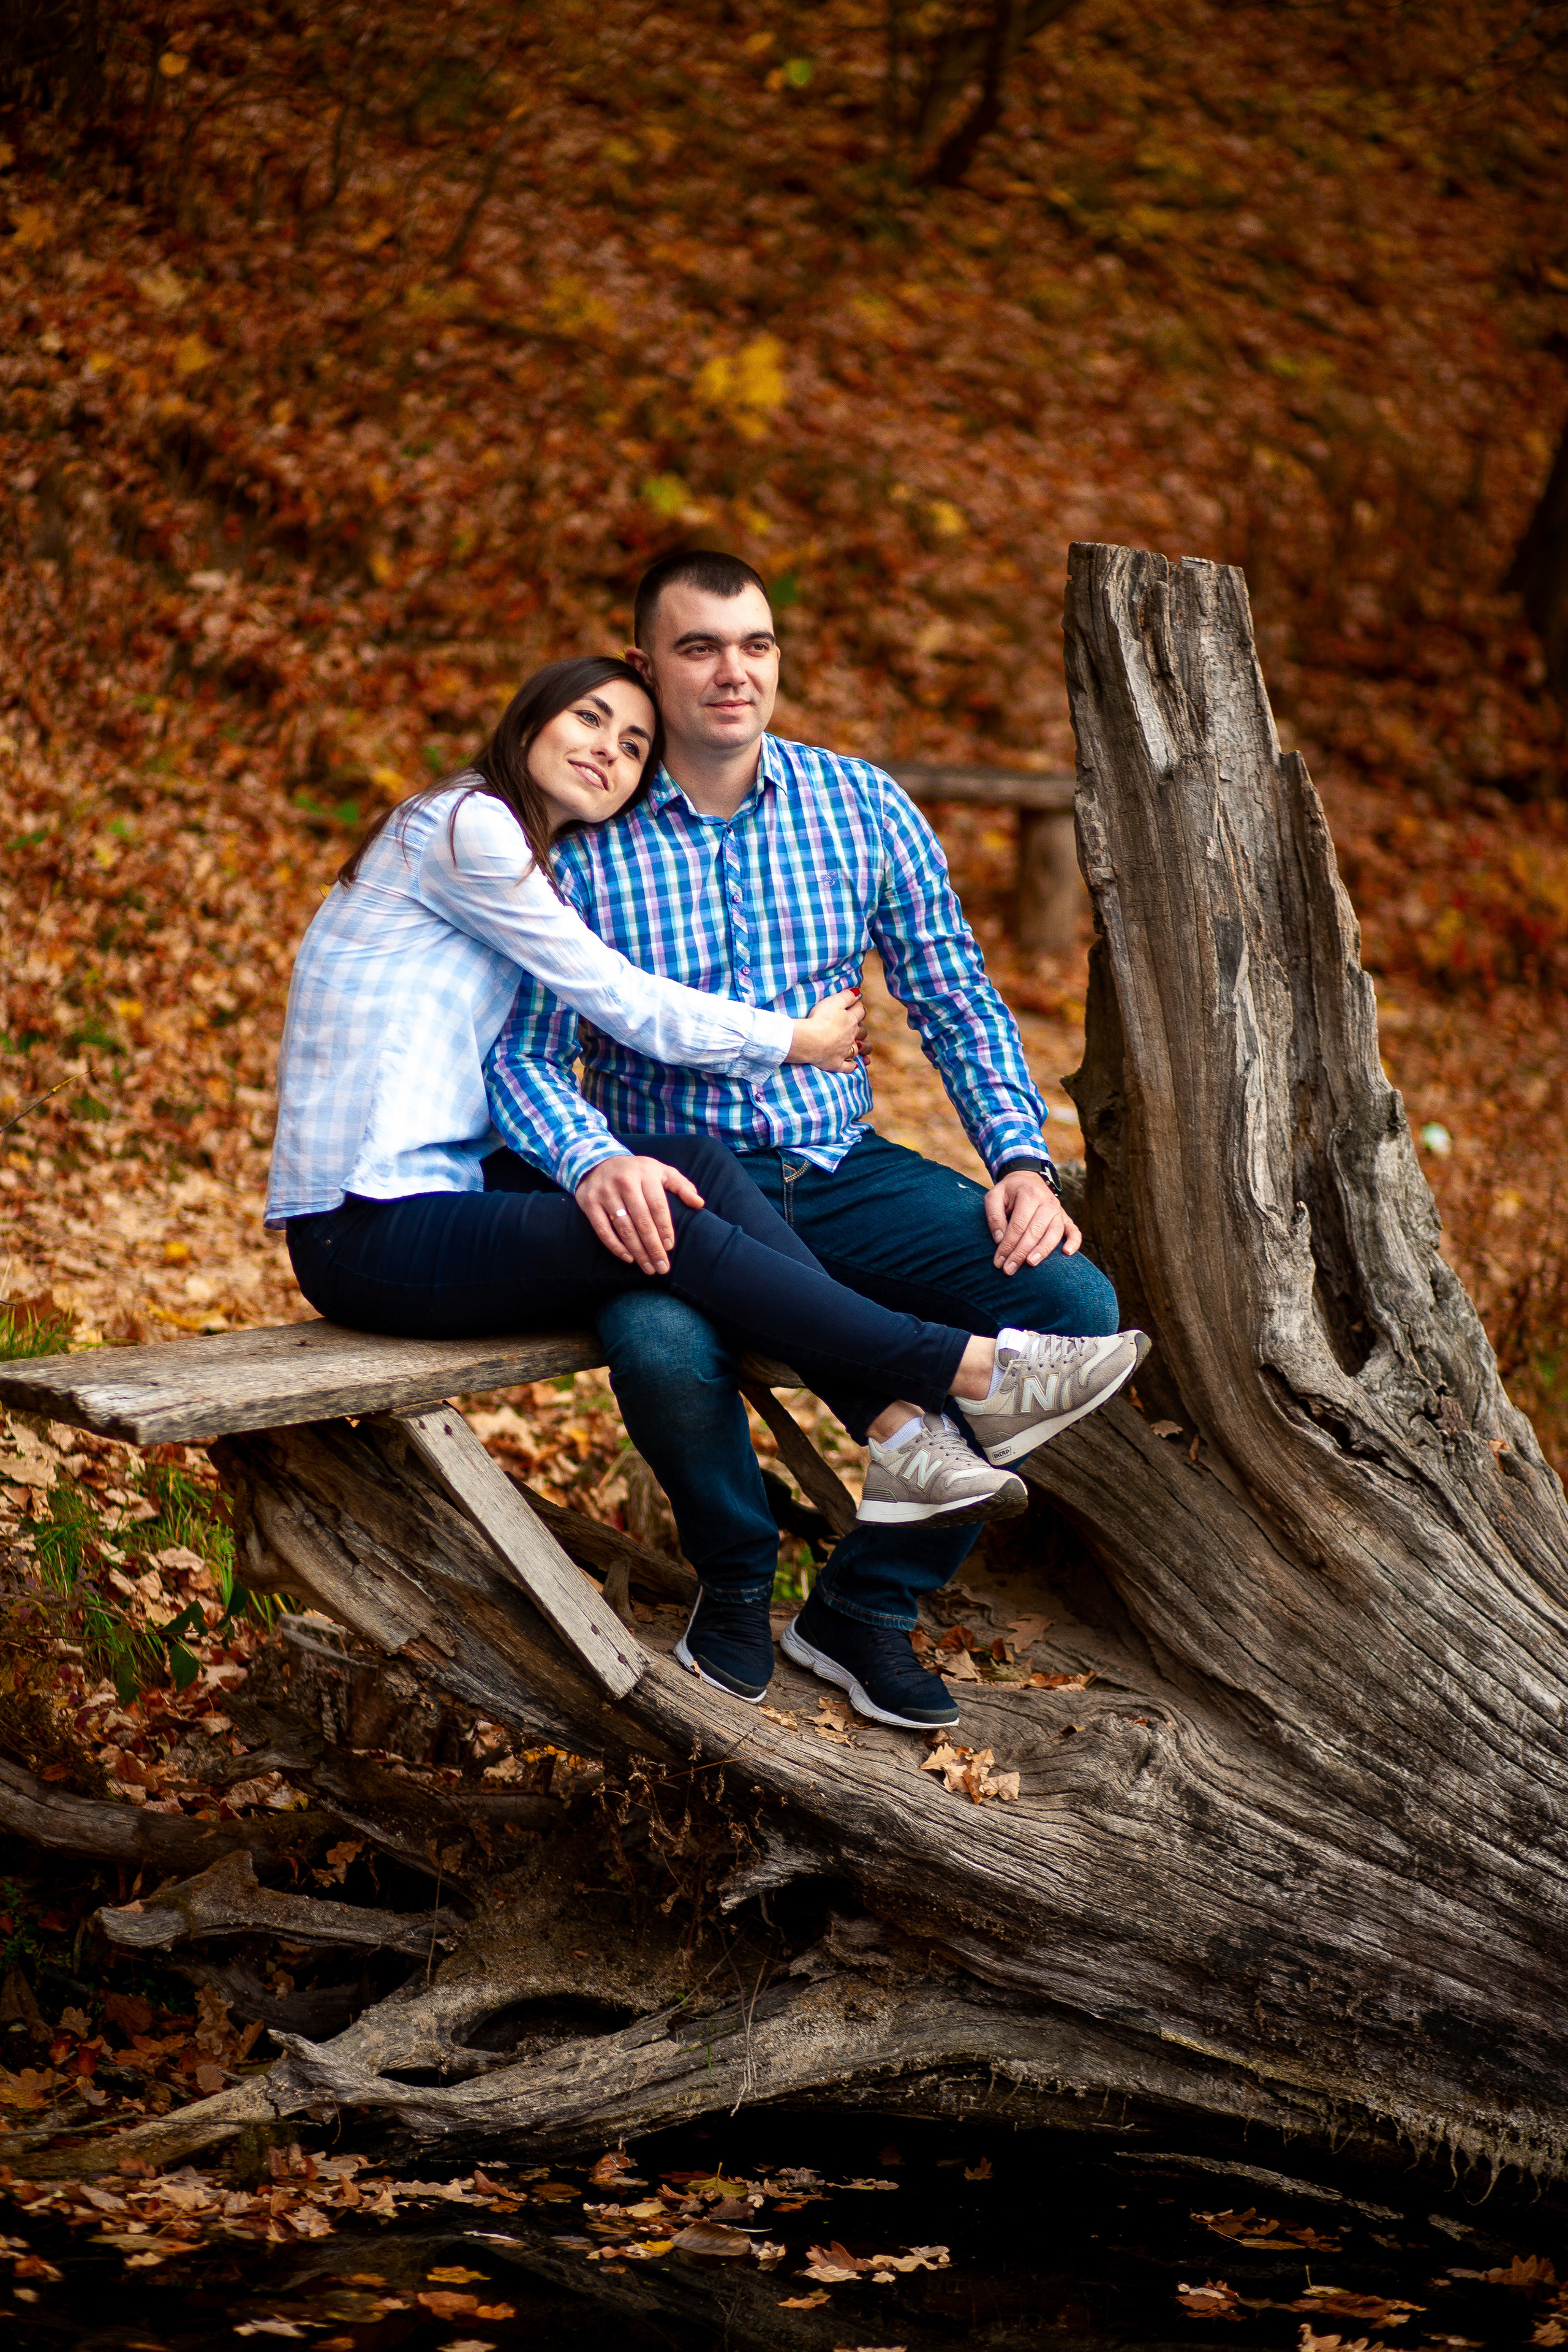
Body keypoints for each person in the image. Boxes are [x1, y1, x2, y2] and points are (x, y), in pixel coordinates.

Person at [266, 654, 1140, 1724]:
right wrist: (794, 1039)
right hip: (367, 1225)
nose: (609, 750)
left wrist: (1019, 1156)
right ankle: (943, 1388)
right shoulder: (471, 828)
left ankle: (896, 1469)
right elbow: (612, 1001)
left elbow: (953, 990)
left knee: (695, 1176)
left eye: (631, 745)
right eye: (590, 719)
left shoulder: (546, 843)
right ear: (530, 713)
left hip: (455, 1187)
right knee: (668, 1235)